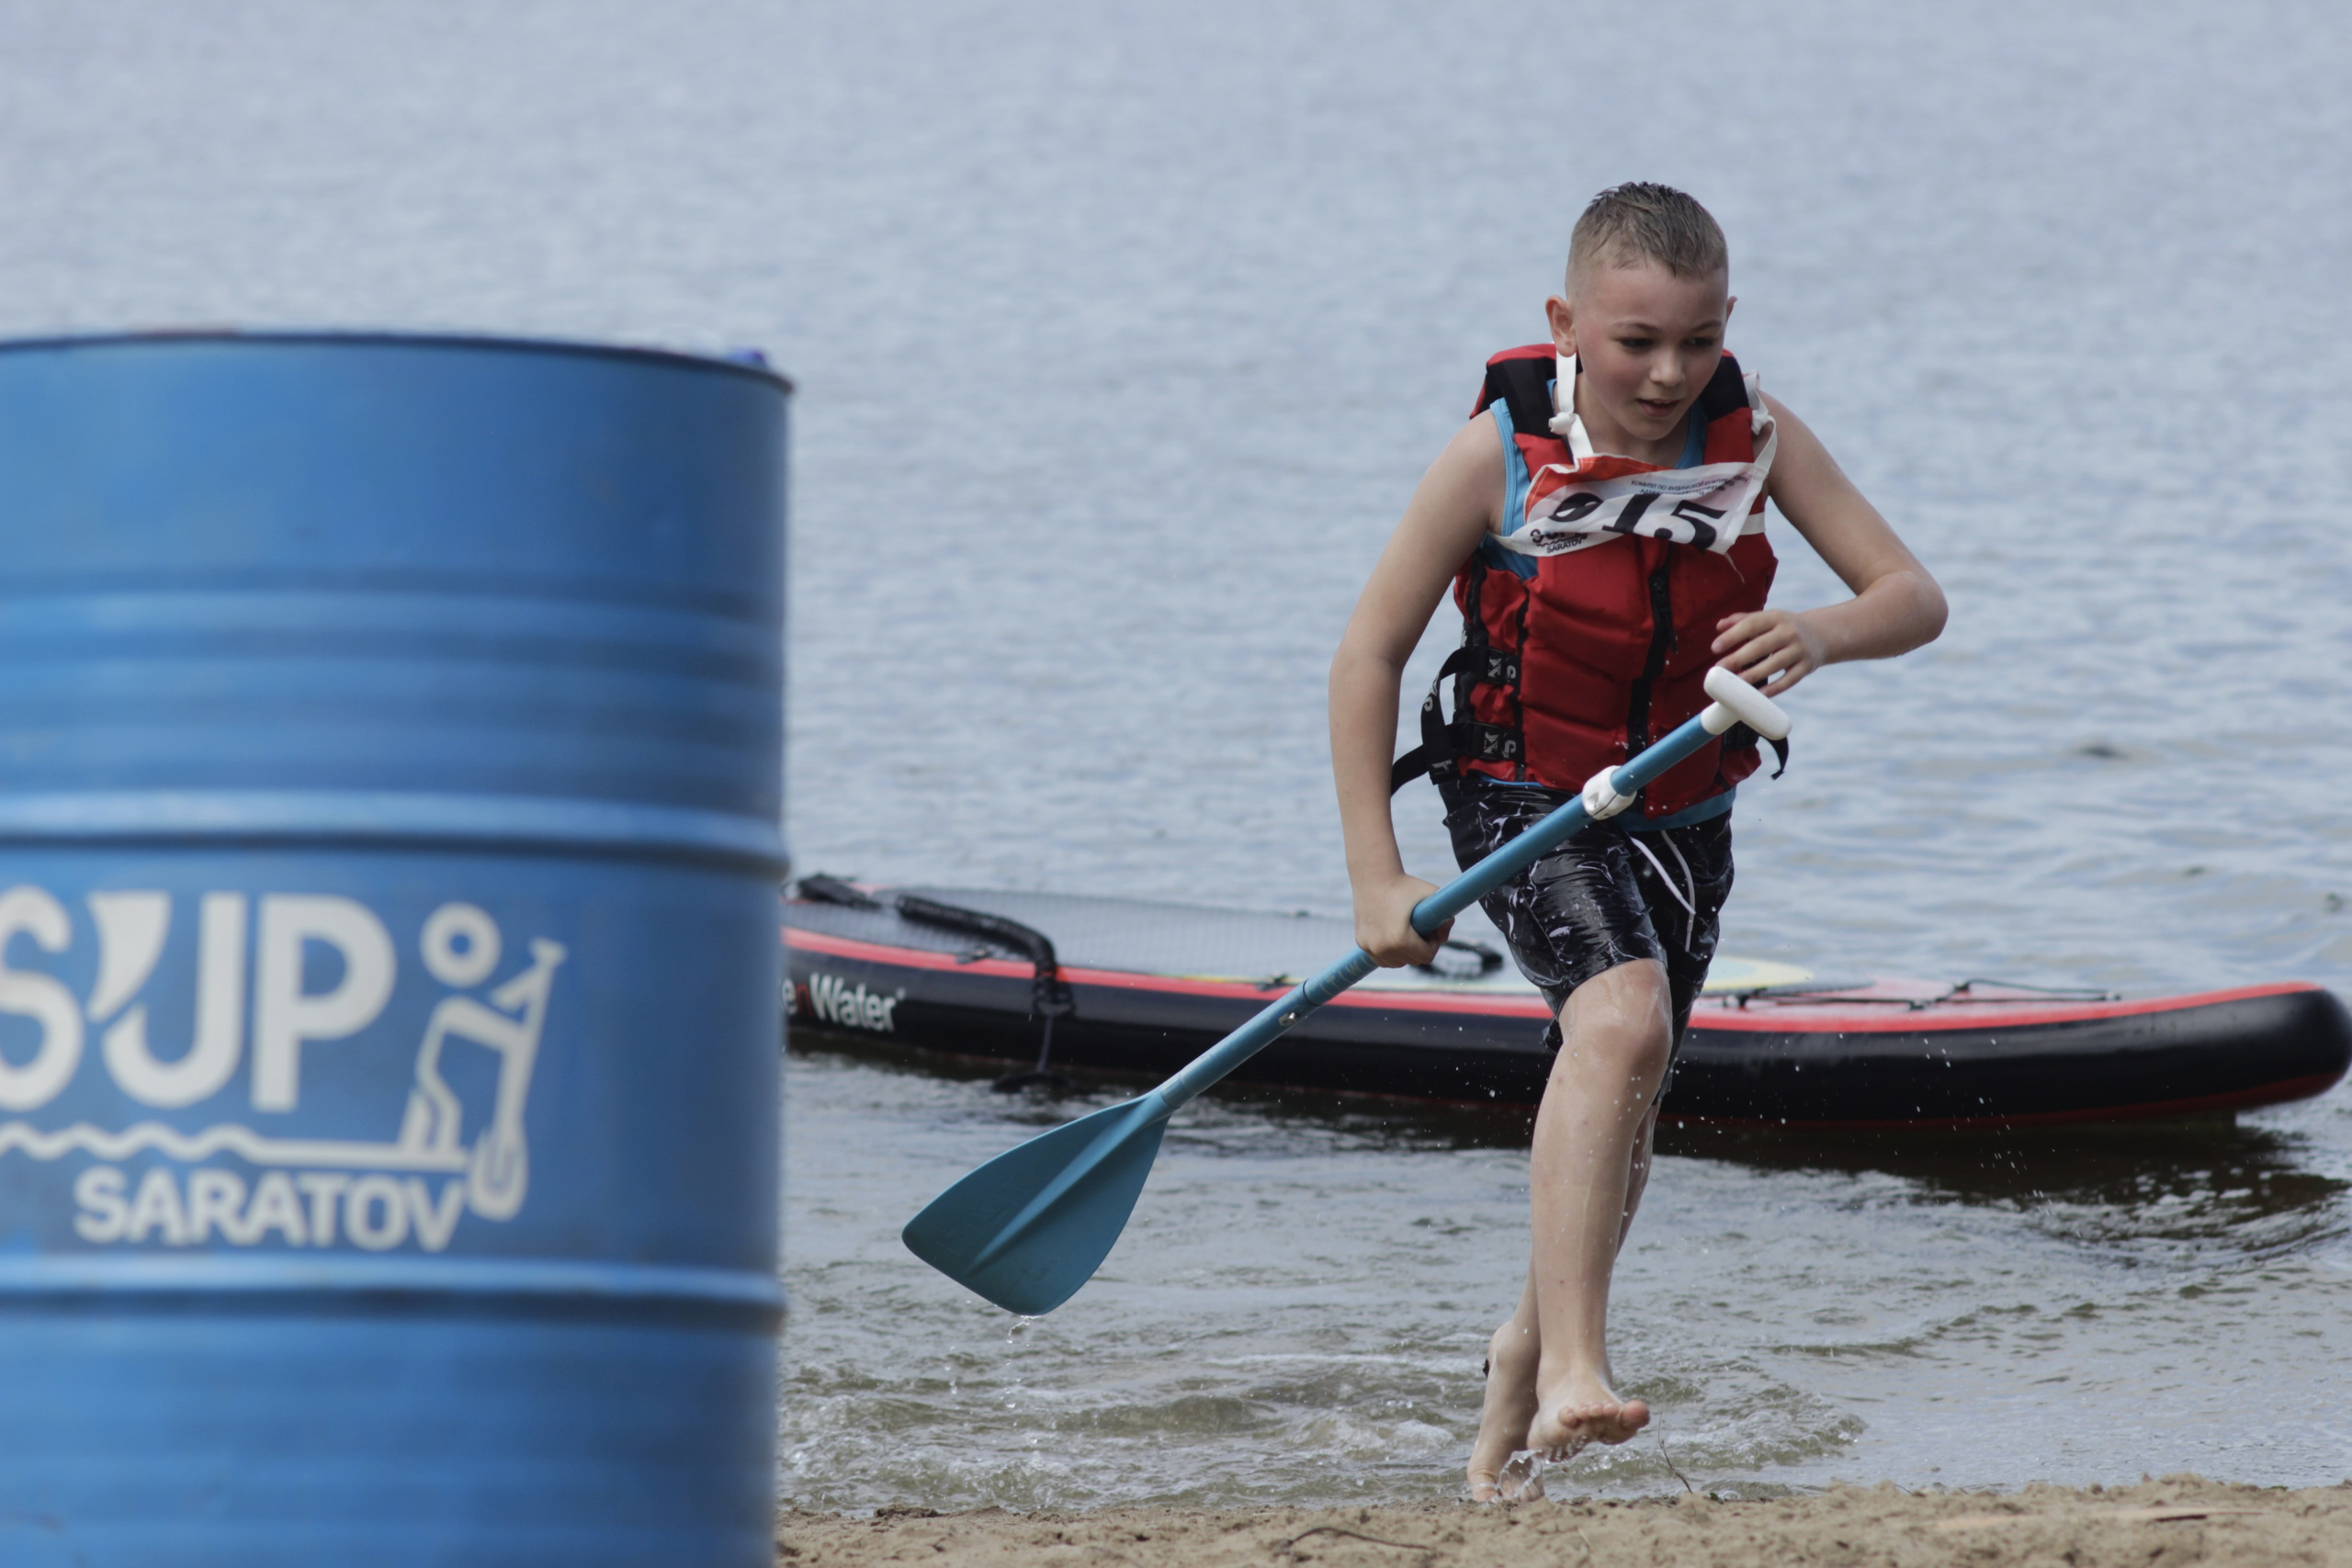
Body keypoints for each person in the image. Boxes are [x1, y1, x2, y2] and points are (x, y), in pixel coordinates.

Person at [1327, 183, 1946, 1502]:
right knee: (1618, 1028)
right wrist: (1376, 874)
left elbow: (1911, 595)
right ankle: (1575, 1374)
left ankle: (1522, 1359)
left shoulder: (1759, 438)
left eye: (1700, 340)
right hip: (1523, 789)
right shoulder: (1493, 454)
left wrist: (1824, 634)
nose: (1671, 373)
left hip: (1682, 806)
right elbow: (1369, 652)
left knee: (1630, 1091)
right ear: (1566, 324)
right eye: (1635, 342)